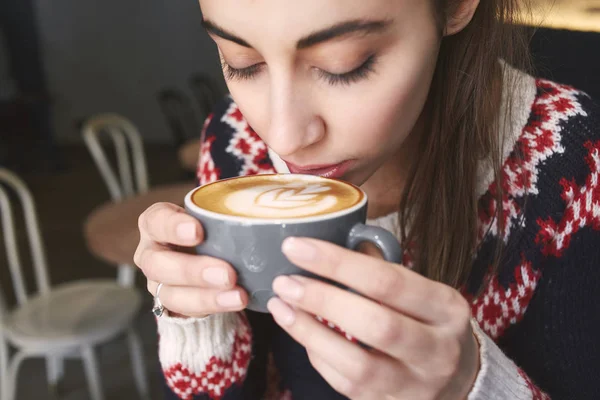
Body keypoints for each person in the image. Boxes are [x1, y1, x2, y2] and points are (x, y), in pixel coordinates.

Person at [134, 0, 600, 399]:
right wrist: (193, 321)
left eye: (345, 64)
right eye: (240, 61)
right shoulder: (234, 141)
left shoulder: (578, 165)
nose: (283, 136)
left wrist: (474, 386)